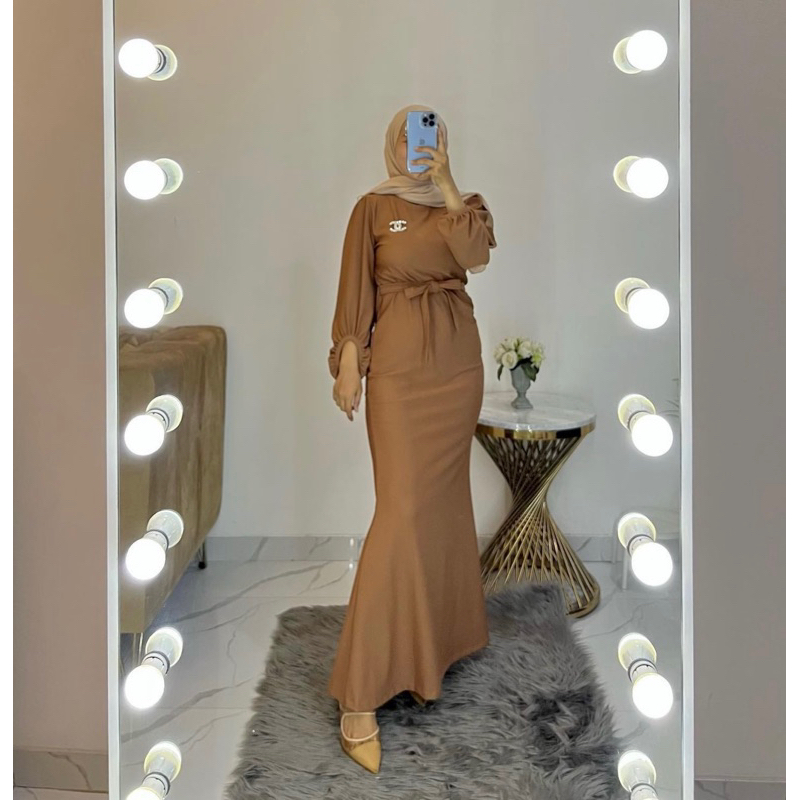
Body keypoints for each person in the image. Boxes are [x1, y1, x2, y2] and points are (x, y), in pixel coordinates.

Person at [326, 103, 497, 773]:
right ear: (393, 143)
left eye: (432, 136)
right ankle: (359, 693)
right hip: (399, 372)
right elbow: (355, 290)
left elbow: (474, 256)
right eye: (411, 136)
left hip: (457, 367)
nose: (420, 146)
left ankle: (435, 650)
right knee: (401, 513)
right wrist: (350, 361)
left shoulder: (466, 207)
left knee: (443, 509)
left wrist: (448, 183)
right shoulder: (372, 208)